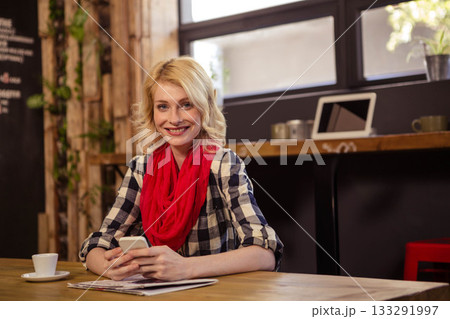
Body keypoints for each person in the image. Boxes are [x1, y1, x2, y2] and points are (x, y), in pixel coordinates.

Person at [79, 56, 283, 281]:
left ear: (203, 108)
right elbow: (97, 244)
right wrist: (108, 267)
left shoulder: (223, 164)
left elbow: (265, 254)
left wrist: (186, 268)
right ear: (152, 112)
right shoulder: (141, 167)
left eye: (186, 105)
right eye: (163, 107)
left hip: (213, 297)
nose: (174, 119)